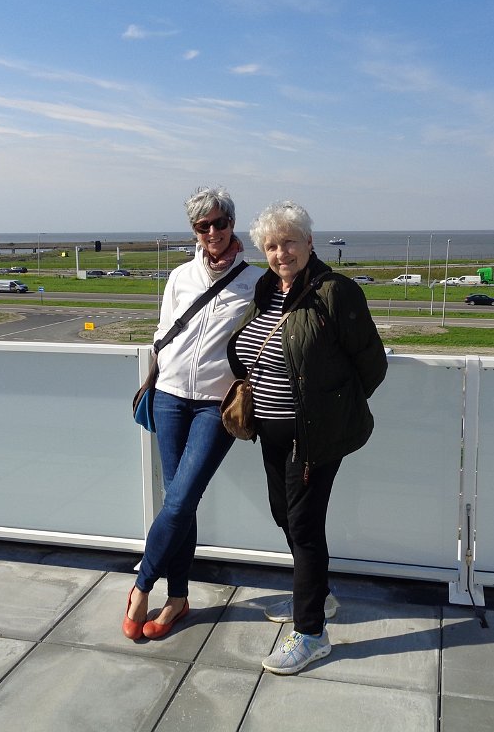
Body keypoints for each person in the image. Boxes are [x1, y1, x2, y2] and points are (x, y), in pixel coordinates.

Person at [228, 200, 387, 674]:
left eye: (290, 241)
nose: (282, 253)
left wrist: (332, 411)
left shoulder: (337, 292)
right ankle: (317, 592)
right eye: (272, 246)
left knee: (304, 526)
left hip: (313, 436)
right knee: (283, 513)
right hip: (271, 432)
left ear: (310, 242)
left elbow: (370, 364)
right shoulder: (265, 287)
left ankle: (312, 632)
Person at [123, 186, 263, 640]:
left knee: (180, 499)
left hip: (216, 404)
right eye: (203, 226)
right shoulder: (180, 275)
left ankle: (142, 586)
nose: (213, 232)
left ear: (232, 223)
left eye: (220, 223)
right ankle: (178, 599)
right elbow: (165, 328)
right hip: (168, 395)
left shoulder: (254, 279)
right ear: (195, 231)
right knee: (179, 502)